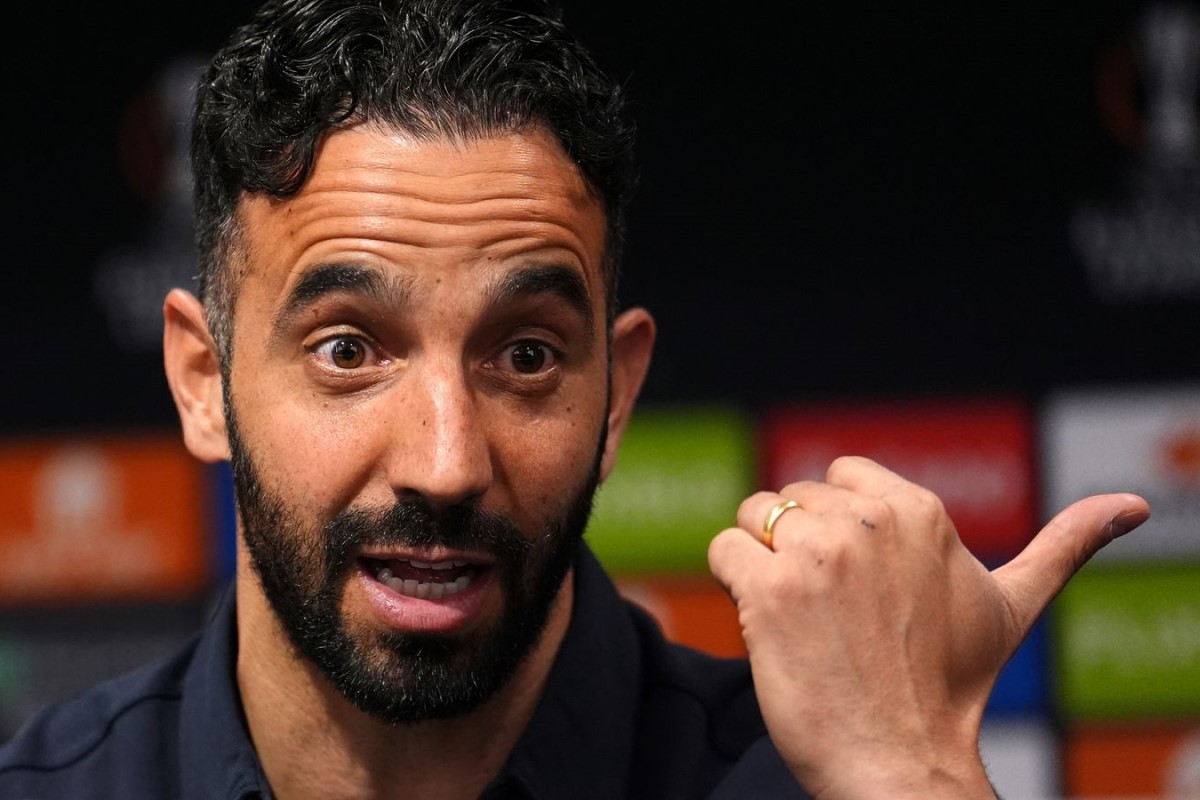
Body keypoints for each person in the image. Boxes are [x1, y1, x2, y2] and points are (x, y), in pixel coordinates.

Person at [0, 0, 1150, 797]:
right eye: (349, 349)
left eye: (526, 356)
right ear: (204, 380)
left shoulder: (822, 784)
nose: (446, 462)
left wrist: (914, 778)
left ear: (617, 393)